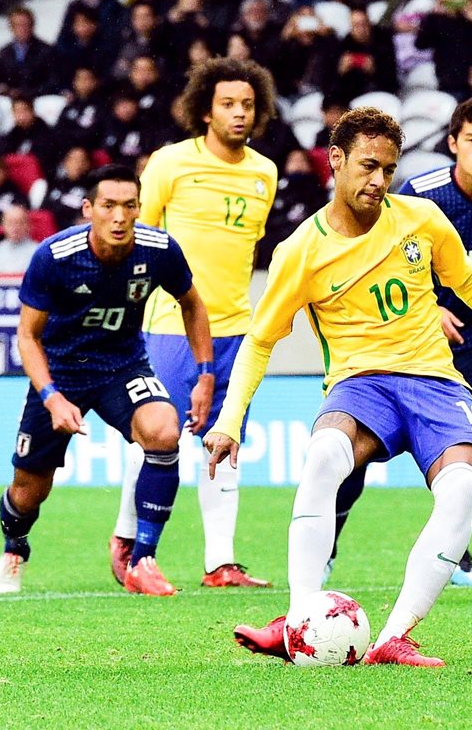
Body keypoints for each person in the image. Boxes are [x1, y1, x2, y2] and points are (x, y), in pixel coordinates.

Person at [206, 107, 472, 667]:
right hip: (360, 383)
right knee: (323, 456)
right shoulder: (300, 250)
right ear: (336, 160)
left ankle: (395, 635)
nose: (378, 181)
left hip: (437, 381)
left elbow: (468, 282)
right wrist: (228, 420)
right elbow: (259, 341)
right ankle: (299, 621)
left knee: (464, 485)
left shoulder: (420, 219)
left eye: (388, 169)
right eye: (368, 166)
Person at [328, 96, 472, 588]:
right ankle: (328, 544)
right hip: (413, 337)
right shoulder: (424, 192)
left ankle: (456, 544)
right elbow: (387, 252)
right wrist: (430, 306)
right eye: (471, 140)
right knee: (355, 448)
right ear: (452, 145)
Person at [0, 165, 214, 596]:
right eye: (108, 206)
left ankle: (143, 559)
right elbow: (27, 336)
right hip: (60, 371)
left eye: (129, 206)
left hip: (122, 366)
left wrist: (205, 374)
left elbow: (192, 304)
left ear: (139, 208)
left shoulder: (160, 250)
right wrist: (51, 396)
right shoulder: (54, 257)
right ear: (89, 208)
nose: (120, 217)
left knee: (164, 431)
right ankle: (14, 547)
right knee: (28, 490)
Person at [109, 59, 279, 590]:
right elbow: (140, 238)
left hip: (238, 329)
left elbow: (248, 251)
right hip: (170, 326)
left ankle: (220, 562)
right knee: (156, 436)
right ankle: (130, 542)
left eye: (247, 105)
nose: (239, 113)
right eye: (228, 104)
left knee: (225, 442)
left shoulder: (264, 173)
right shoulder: (169, 164)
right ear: (205, 109)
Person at [0, 204, 38, 273]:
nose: (15, 227)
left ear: (28, 225)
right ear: (3, 226)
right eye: (10, 223)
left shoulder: (39, 253)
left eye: (20, 223)